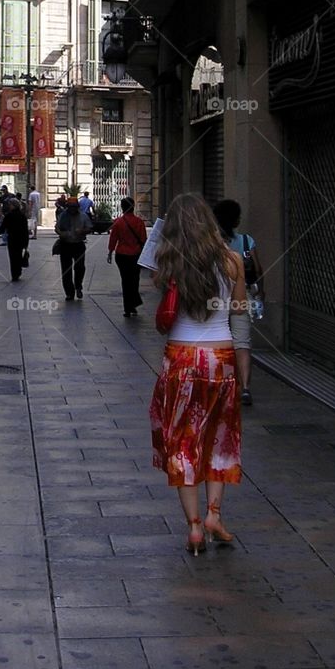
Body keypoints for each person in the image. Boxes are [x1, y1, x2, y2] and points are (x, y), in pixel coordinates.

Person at [139, 193, 246, 554]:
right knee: (220, 435)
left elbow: (161, 309)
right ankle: (215, 513)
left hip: (181, 358)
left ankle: (195, 527)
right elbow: (241, 308)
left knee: (184, 440)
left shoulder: (168, 263)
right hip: (222, 356)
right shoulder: (232, 260)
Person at [213, 199, 262, 406]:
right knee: (242, 343)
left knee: (220, 339)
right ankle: (245, 388)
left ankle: (223, 384)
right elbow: (258, 270)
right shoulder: (245, 242)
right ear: (235, 220)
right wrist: (261, 293)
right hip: (243, 298)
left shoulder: (212, 244)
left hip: (217, 298)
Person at [107, 196, 147, 317]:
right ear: (133, 207)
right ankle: (133, 305)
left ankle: (127, 308)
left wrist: (110, 252)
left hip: (122, 255)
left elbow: (113, 239)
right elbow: (144, 239)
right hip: (136, 255)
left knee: (125, 281)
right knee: (135, 280)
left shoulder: (118, 222)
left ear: (122, 207)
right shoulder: (139, 222)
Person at [55, 195, 92, 301]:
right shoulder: (63, 216)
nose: (72, 209)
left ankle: (78, 286)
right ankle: (69, 293)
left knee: (80, 267)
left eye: (74, 207)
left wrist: (82, 231)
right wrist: (61, 233)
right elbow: (57, 227)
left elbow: (89, 228)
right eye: (70, 207)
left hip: (78, 244)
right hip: (66, 244)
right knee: (66, 270)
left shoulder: (83, 216)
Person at [1, 196, 30, 281]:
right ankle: (18, 270)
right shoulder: (22, 216)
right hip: (21, 239)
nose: (9, 206)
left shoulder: (9, 215)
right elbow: (25, 229)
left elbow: (3, 228)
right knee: (18, 254)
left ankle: (15, 273)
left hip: (12, 238)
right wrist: (26, 242)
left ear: (13, 205)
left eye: (10, 204)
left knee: (12, 256)